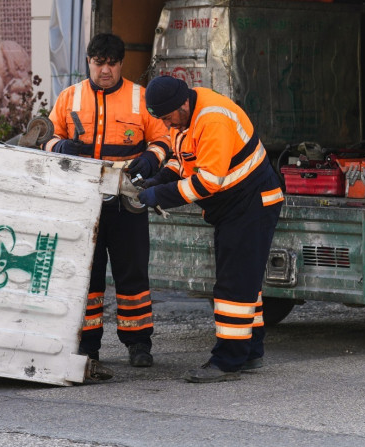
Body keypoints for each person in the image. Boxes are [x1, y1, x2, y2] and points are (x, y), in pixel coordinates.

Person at [136, 75, 284, 383]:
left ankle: (228, 362)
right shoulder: (184, 118)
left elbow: (207, 182)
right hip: (238, 204)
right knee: (245, 284)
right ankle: (250, 352)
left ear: (183, 104)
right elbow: (185, 160)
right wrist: (160, 178)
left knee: (233, 286)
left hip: (251, 204)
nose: (166, 124)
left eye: (167, 117)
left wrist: (158, 195)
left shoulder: (212, 119)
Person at [44, 33, 170, 378]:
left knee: (133, 273)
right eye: (99, 63)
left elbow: (164, 138)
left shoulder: (139, 99)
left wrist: (151, 157)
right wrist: (60, 148)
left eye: (112, 64)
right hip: (82, 204)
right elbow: (46, 136)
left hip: (128, 200)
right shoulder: (69, 98)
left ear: (121, 64)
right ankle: (87, 344)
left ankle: (139, 343)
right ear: (89, 62)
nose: (105, 70)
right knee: (87, 275)